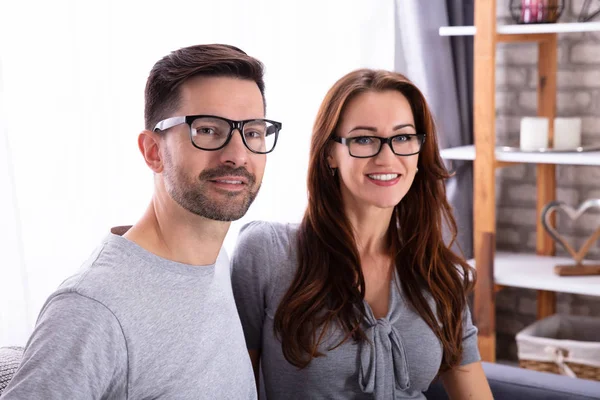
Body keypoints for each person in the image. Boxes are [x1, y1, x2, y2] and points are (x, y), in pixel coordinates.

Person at [1, 43, 282, 399]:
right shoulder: (92, 308)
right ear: (153, 151)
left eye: (253, 132)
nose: (238, 154)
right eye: (208, 130)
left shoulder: (215, 261)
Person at [231, 69, 493, 399]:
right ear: (330, 154)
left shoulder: (437, 273)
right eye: (364, 139)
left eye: (402, 138)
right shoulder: (266, 253)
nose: (387, 157)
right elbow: (235, 386)